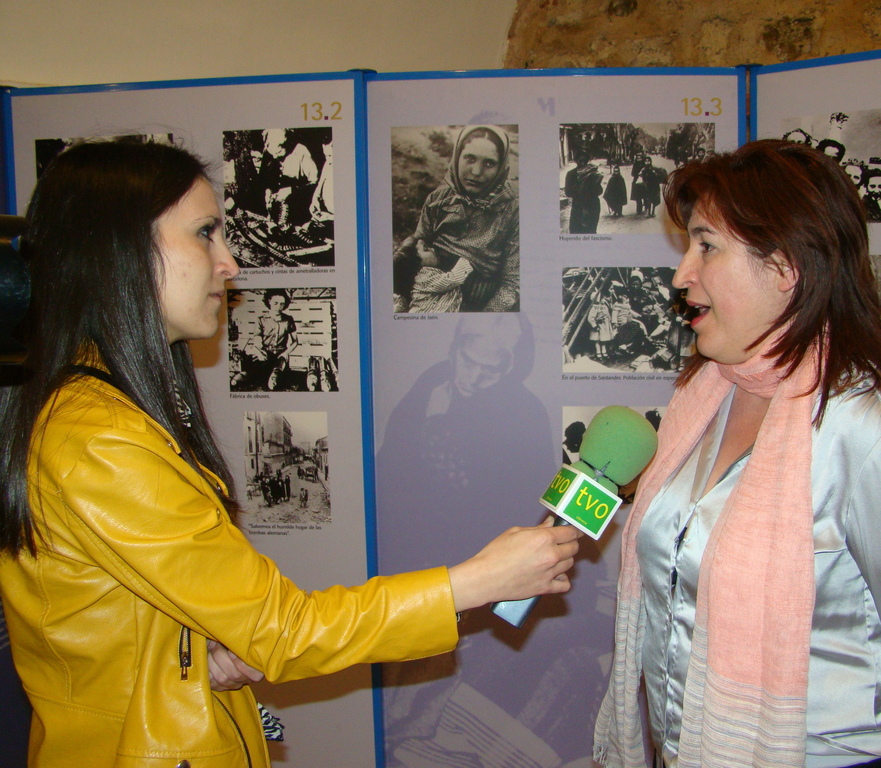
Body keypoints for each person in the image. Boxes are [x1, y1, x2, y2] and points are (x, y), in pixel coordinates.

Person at [0, 140, 582, 768]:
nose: (229, 265)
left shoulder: (114, 413)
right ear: (118, 252)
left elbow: (135, 607)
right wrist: (476, 582)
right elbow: (286, 629)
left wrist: (194, 640)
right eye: (204, 235)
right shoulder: (99, 438)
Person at [594, 139, 881, 768]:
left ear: (786, 267)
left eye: (706, 246)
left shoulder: (880, 442)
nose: (680, 275)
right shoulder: (704, 400)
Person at [393, 125, 519, 312]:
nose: (476, 171)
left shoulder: (512, 209)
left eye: (489, 163)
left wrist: (482, 322)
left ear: (501, 167)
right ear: (457, 157)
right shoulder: (438, 199)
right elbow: (419, 243)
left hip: (478, 302)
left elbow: (511, 284)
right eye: (469, 158)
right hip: (428, 289)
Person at [240, 288, 299, 390]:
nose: (279, 307)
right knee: (261, 383)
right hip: (265, 356)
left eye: (282, 304)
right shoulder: (261, 320)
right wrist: (260, 352)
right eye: (275, 303)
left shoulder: (288, 319)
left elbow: (295, 341)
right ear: (269, 302)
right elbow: (257, 337)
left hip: (281, 358)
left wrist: (286, 353)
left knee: (280, 384)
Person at [564, 150, 604, 234]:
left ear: (587, 161)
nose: (582, 163)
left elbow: (599, 191)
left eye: (584, 161)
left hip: (592, 207)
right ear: (576, 161)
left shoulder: (593, 174)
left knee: (590, 232)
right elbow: (568, 192)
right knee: (576, 232)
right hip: (578, 208)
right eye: (580, 161)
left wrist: (595, 184)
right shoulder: (571, 174)